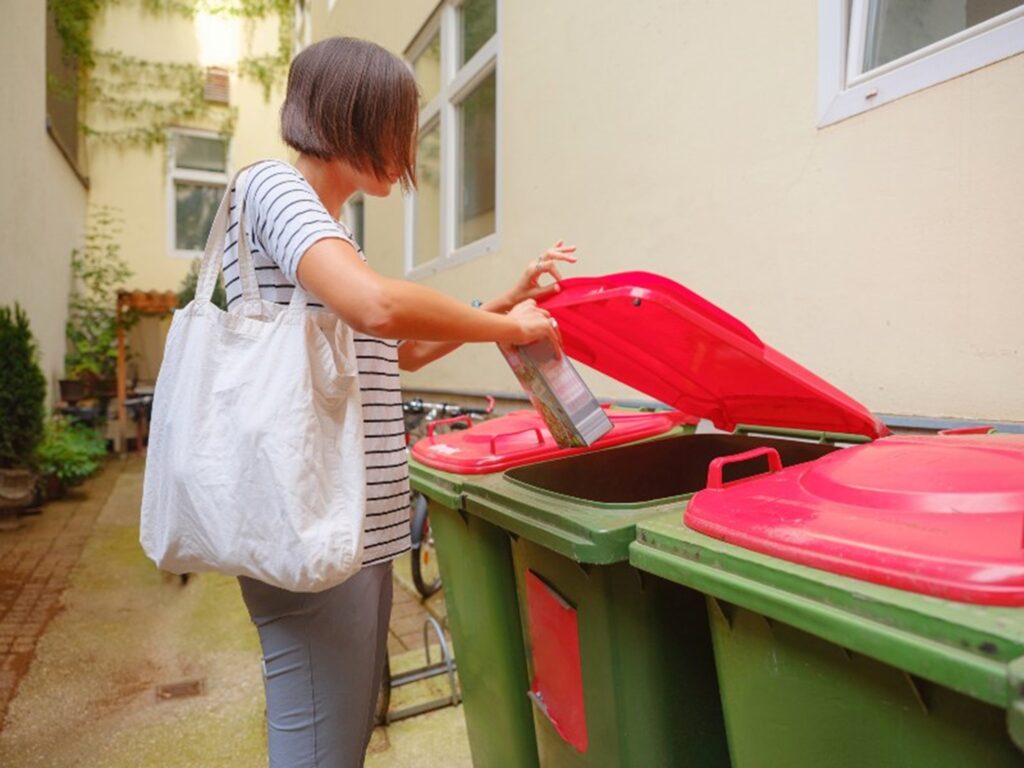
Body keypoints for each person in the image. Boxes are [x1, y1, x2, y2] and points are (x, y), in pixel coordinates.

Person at [224, 36, 576, 767]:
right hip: (314, 525)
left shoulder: (329, 228)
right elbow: (379, 309)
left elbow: (400, 347)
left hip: (347, 527)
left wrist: (503, 301)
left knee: (340, 733)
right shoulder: (276, 189)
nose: (409, 141)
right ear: (352, 115)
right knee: (321, 741)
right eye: (400, 120)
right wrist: (506, 326)